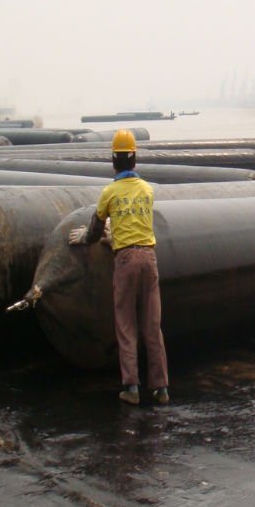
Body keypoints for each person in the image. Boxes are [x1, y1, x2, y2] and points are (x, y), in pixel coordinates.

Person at [68, 129, 169, 406]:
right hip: (149, 258)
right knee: (152, 326)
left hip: (125, 260)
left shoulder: (109, 193)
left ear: (113, 161)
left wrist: (86, 239)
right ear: (134, 159)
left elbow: (96, 227)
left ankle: (132, 388)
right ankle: (161, 389)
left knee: (126, 325)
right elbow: (139, 224)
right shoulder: (148, 191)